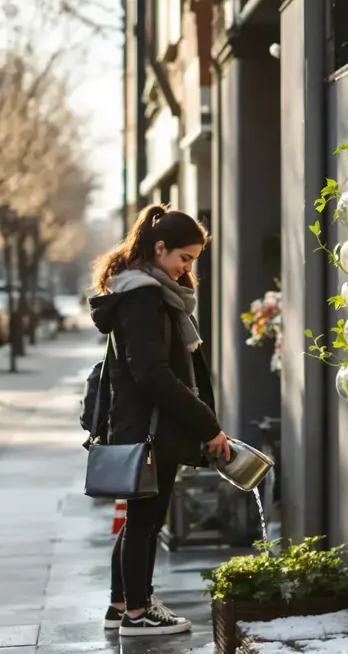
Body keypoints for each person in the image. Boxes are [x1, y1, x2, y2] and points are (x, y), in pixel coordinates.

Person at [88, 205, 232, 638]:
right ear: (159, 247)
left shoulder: (147, 292)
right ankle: (137, 611)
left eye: (193, 260)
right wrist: (208, 425)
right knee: (147, 521)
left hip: (146, 425)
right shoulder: (144, 296)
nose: (188, 268)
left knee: (141, 518)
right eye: (184, 258)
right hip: (151, 427)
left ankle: (122, 605)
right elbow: (151, 373)